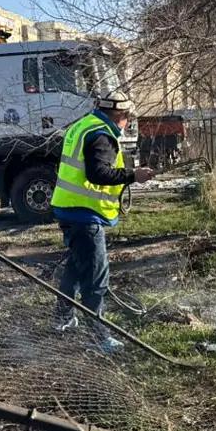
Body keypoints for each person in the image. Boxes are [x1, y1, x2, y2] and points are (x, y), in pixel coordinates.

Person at [50, 90, 155, 352]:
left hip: (68, 208)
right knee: (96, 279)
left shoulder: (83, 125)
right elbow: (99, 173)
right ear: (120, 116)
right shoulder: (102, 135)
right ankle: (99, 338)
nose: (128, 123)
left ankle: (62, 318)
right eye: (127, 118)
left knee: (75, 268)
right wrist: (133, 175)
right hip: (84, 215)